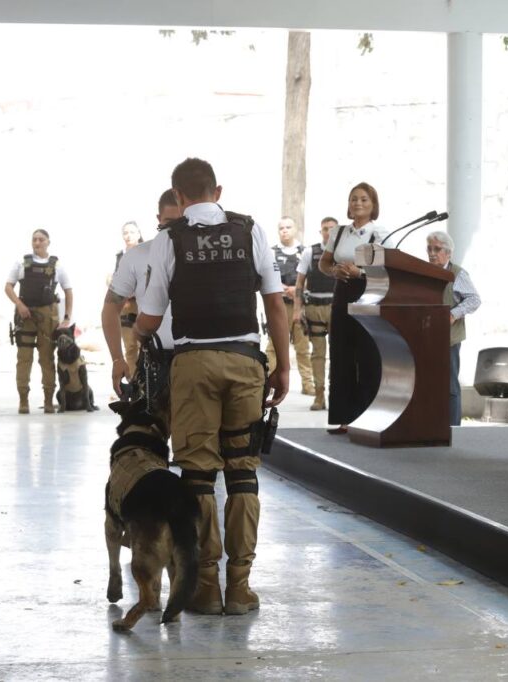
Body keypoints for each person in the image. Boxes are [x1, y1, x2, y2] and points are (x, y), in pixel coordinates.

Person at [136, 158, 290, 615]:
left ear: (178, 198)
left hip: (193, 366)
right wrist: (282, 368)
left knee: (199, 475)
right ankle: (240, 588)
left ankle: (205, 586)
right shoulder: (250, 230)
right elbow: (276, 304)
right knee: (243, 472)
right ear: (217, 191)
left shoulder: (170, 240)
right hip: (246, 362)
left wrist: (138, 336)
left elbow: (149, 316)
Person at [102, 191, 183, 406]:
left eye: (181, 222)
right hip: (154, 362)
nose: (173, 230)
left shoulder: (203, 253)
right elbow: (110, 307)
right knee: (145, 436)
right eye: (168, 223)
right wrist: (117, 359)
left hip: (195, 359)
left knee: (192, 437)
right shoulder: (137, 256)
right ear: (158, 220)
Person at [318, 183, 388, 433]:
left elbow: (385, 270)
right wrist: (334, 270)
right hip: (342, 294)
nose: (358, 203)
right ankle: (344, 419)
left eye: (364, 200)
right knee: (340, 356)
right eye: (354, 199)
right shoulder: (338, 232)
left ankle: (368, 420)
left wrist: (360, 272)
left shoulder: (379, 233)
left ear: (373, 205)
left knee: (368, 357)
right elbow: (324, 263)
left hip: (367, 295)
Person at [4, 229, 73, 414]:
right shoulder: (22, 262)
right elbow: (8, 286)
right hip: (25, 315)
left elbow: (68, 290)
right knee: (24, 359)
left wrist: (67, 318)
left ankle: (49, 400)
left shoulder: (56, 265)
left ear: (48, 242)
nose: (37, 242)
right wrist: (19, 304)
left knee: (47, 359)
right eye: (34, 239)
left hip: (48, 316)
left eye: (41, 239)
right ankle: (23, 400)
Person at [426, 230, 481, 426]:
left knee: (449, 385)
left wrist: (453, 314)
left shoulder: (457, 274)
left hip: (448, 339)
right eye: (429, 248)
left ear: (448, 253)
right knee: (429, 385)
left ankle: (453, 428)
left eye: (437, 249)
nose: (432, 253)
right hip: (426, 337)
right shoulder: (424, 271)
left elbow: (474, 300)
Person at [292, 217, 338, 411]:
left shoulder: (344, 253)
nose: (328, 232)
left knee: (338, 353)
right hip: (315, 307)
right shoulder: (310, 252)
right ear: (321, 232)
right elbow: (299, 283)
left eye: (332, 229)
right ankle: (319, 395)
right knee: (318, 353)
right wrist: (296, 309)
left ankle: (337, 394)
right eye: (325, 229)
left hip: (337, 306)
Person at [266, 216, 313, 396]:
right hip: (280, 305)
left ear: (295, 229)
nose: (284, 230)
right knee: (273, 346)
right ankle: (268, 383)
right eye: (281, 228)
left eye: (288, 227)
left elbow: (311, 276)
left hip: (299, 305)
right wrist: (283, 288)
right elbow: (267, 276)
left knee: (302, 347)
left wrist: (298, 289)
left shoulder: (305, 251)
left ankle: (308, 385)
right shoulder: (271, 252)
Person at [112, 220, 144, 377]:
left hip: (145, 304)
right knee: (130, 347)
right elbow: (113, 279)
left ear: (138, 234)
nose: (128, 235)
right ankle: (134, 383)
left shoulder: (147, 252)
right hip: (126, 306)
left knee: (145, 344)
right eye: (125, 232)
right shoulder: (120, 256)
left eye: (131, 232)